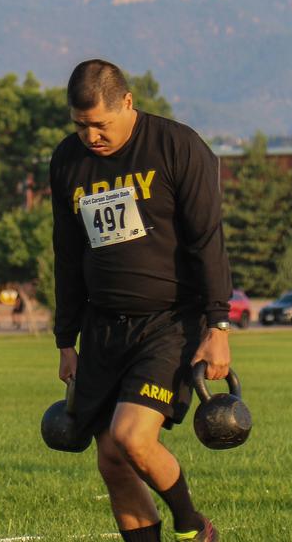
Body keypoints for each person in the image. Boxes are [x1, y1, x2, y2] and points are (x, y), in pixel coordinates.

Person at [49, 59, 232, 542]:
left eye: (100, 124)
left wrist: (218, 327)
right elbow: (67, 254)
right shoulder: (68, 161)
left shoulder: (176, 146)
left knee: (132, 437)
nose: (91, 136)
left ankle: (193, 527)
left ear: (127, 103)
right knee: (111, 458)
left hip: (170, 323)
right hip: (103, 327)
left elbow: (207, 240)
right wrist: (66, 339)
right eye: (80, 125)